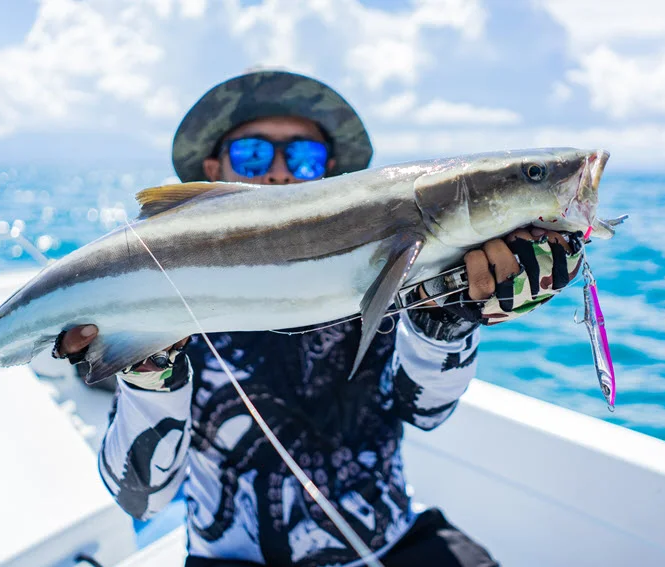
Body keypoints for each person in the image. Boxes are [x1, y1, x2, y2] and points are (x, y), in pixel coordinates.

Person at [55, 70, 582, 566]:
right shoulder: (164, 301)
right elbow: (141, 501)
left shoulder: (388, 275)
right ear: (213, 172)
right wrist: (151, 372)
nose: (281, 171)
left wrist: (447, 317)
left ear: (330, 174)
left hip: (392, 543)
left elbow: (425, 412)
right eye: (254, 152)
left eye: (304, 157)